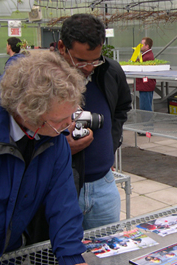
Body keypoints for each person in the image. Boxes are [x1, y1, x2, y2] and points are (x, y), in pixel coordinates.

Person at [0, 51, 87, 264]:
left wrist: (73, 258)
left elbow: (63, 204)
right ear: (27, 114)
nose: (69, 125)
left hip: (10, 253)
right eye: (59, 120)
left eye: (72, 114)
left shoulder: (55, 137)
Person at [58, 14, 132, 229]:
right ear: (62, 47)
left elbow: (121, 108)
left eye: (95, 59)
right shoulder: (44, 79)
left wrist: (111, 143)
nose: (89, 67)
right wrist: (63, 149)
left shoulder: (109, 71)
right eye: (80, 60)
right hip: (61, 186)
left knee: (108, 251)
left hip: (104, 184)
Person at [136, 37, 156, 112]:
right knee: (146, 104)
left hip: (145, 84)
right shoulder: (146, 55)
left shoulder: (147, 56)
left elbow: (137, 65)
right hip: (146, 85)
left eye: (142, 44)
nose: (140, 46)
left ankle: (148, 123)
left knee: (145, 106)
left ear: (147, 46)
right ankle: (147, 122)